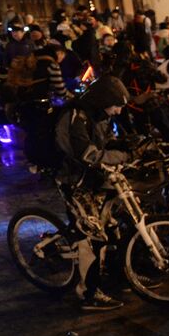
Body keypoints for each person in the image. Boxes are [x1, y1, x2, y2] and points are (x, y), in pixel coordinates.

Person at [54, 76, 133, 310]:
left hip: (92, 179)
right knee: (93, 236)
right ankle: (89, 294)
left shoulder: (99, 115)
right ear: (104, 100)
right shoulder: (77, 116)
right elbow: (87, 154)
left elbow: (106, 142)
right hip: (73, 181)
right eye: (116, 105)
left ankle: (120, 277)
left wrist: (127, 144)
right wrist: (122, 156)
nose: (118, 111)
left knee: (114, 226)